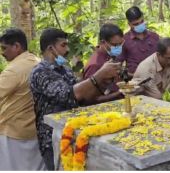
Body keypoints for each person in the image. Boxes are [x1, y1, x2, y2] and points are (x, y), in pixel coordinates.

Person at [30, 28, 122, 170]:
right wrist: (99, 76)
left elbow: (83, 99)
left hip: (74, 132)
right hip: (52, 137)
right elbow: (69, 95)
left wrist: (105, 81)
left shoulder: (64, 69)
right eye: (63, 45)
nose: (67, 49)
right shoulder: (40, 72)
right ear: (50, 48)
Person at [0, 28, 45, 170]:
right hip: (34, 128)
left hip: (13, 131)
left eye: (4, 48)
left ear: (17, 47)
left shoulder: (14, 70)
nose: (2, 53)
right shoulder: (37, 62)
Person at [83, 23, 125, 104]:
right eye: (115, 45)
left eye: (120, 44)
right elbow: (89, 99)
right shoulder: (95, 65)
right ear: (103, 42)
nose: (118, 48)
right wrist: (120, 92)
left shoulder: (110, 56)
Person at [119, 6, 160, 76]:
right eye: (136, 24)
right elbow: (117, 64)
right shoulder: (124, 40)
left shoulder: (154, 37)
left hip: (155, 80)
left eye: (141, 22)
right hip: (134, 81)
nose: (140, 25)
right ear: (129, 24)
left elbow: (163, 58)